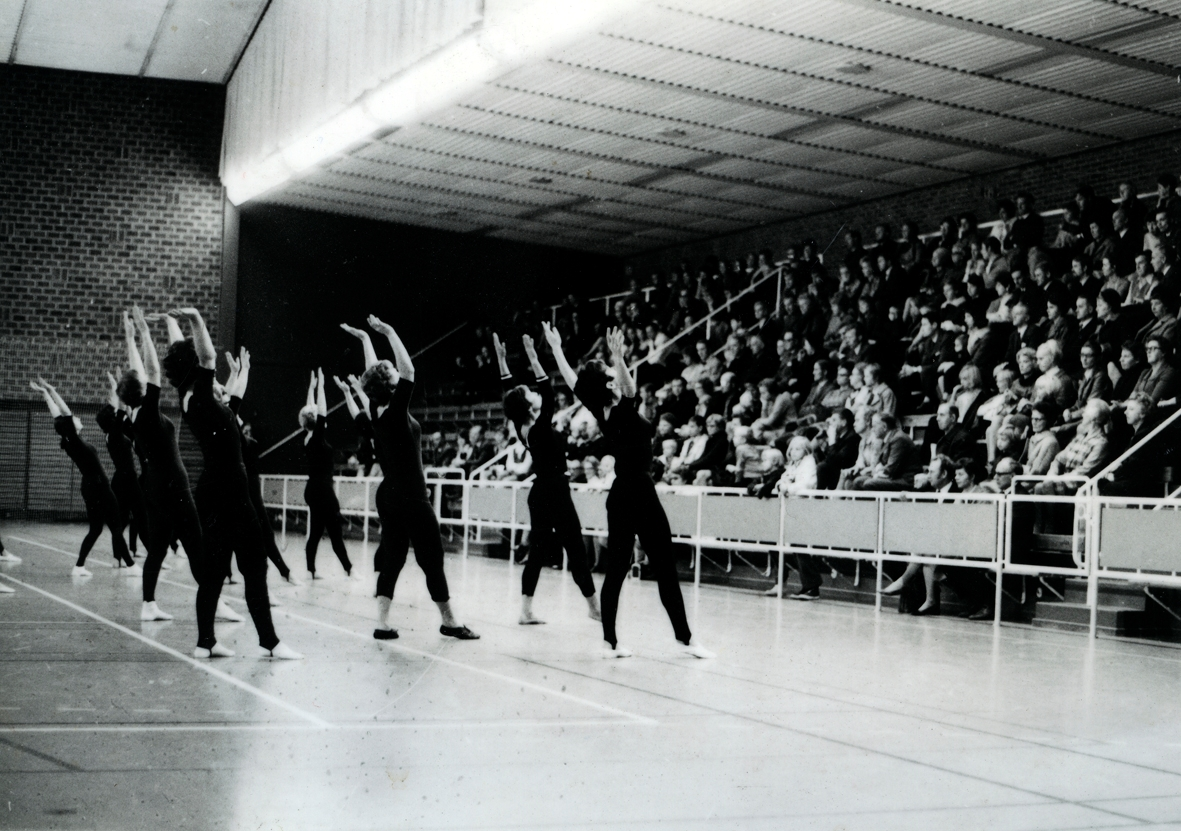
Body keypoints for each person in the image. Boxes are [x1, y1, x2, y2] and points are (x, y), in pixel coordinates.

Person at [545, 322, 713, 659]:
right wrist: (618, 357)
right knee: (648, 568)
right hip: (637, 492)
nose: (614, 372)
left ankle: (627, 641)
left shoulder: (601, 408)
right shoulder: (621, 407)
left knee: (634, 569)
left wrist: (557, 350)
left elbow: (576, 382)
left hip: (625, 493)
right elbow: (628, 386)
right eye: (608, 371)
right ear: (607, 382)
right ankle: (667, 640)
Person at [162, 307, 300, 659]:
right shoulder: (203, 395)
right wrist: (195, 318)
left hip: (214, 491)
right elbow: (206, 356)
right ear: (194, 367)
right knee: (255, 566)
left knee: (214, 570)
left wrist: (243, 373)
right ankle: (270, 642)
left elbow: (231, 401)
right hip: (231, 493)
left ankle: (205, 642)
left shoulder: (193, 399)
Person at [340, 316, 477, 641]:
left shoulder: (375, 410)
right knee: (432, 559)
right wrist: (388, 331)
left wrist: (365, 340)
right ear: (391, 386)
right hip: (412, 496)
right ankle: (450, 621)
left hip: (389, 495)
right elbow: (408, 371)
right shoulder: (395, 411)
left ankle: (382, 622)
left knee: (393, 556)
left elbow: (373, 375)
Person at [493, 330, 600, 625]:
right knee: (575, 549)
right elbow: (547, 390)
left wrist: (502, 360)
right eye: (531, 395)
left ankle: (526, 611)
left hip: (542, 491)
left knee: (538, 552)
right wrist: (533, 355)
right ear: (529, 406)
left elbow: (510, 392)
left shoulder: (521, 424)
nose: (536, 393)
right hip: (554, 491)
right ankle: (594, 608)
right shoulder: (538, 427)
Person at [31, 378, 138, 577]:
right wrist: (52, 390)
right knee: (116, 526)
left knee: (96, 529)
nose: (77, 418)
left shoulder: (70, 440)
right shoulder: (74, 439)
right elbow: (65, 413)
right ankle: (132, 566)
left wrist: (46, 393)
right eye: (74, 418)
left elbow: (58, 416)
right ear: (71, 426)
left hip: (89, 486)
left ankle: (79, 566)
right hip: (100, 486)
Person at [301, 368, 353, 578]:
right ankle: (349, 569)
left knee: (316, 532)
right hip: (323, 490)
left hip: (314, 490)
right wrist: (321, 386)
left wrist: (311, 389)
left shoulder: (308, 437)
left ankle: (311, 570)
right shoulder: (317, 438)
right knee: (335, 532)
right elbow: (320, 411)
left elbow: (311, 412)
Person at [97, 372, 148, 559]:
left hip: (121, 479)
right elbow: (120, 411)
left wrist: (117, 387)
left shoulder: (112, 434)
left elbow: (122, 412)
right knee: (140, 518)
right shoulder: (115, 432)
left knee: (123, 520)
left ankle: (118, 558)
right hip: (127, 479)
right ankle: (153, 555)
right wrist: (118, 389)